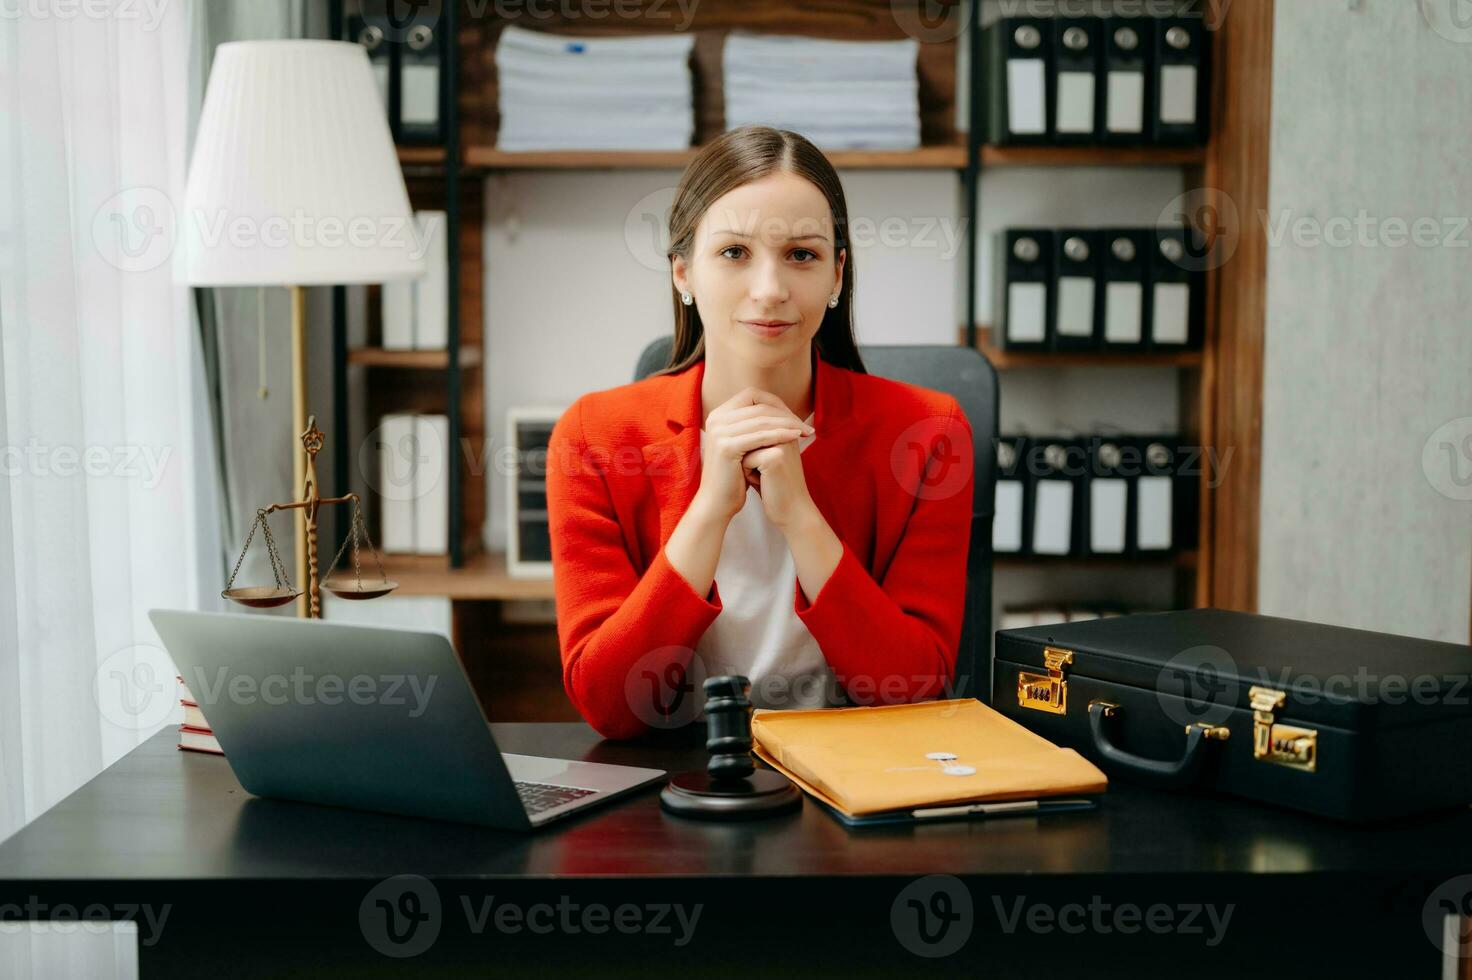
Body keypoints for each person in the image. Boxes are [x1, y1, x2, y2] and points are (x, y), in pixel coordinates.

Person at [546, 125, 974, 740]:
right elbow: (610, 706)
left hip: (856, 780)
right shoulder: (593, 437)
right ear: (682, 273)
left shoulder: (929, 435)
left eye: (802, 255)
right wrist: (709, 511)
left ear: (836, 276)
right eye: (733, 253)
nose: (770, 290)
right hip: (671, 782)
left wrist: (800, 515)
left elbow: (911, 691)